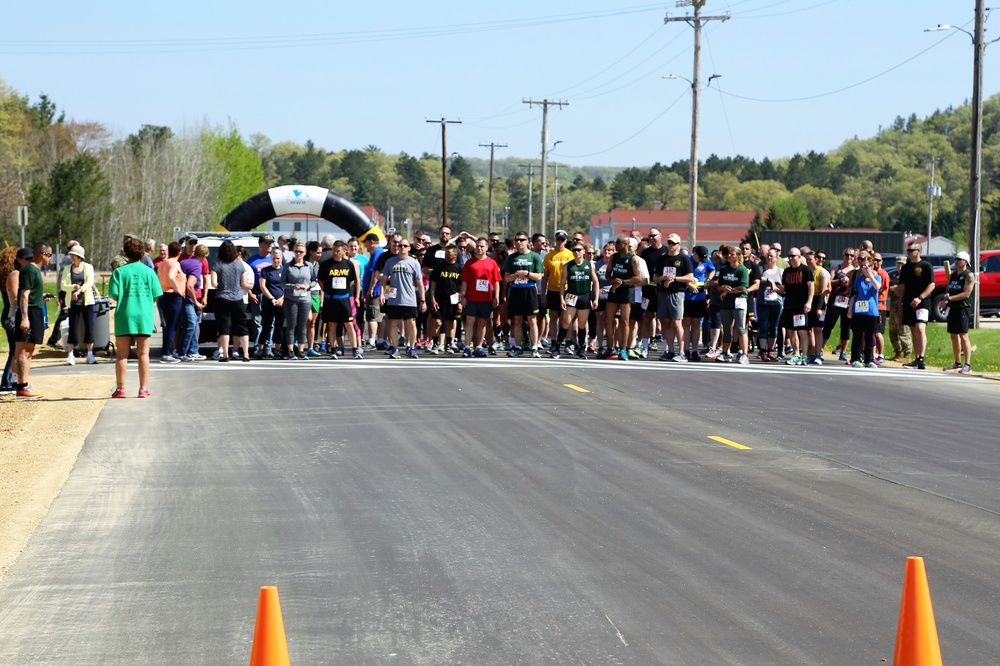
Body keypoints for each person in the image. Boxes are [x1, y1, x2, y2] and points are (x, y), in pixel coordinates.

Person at [108, 236, 163, 398]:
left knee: (122, 354)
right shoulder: (149, 272)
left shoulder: (119, 272)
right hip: (144, 314)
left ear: (126, 253)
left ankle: (120, 389)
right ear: (143, 253)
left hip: (125, 313)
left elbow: (115, 295)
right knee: (143, 354)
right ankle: (143, 389)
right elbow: (156, 294)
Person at [14, 244, 52, 398]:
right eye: (49, 255)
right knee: (23, 350)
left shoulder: (36, 270)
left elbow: (31, 293)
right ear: (42, 254)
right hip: (29, 312)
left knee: (29, 350)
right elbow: (24, 295)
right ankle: (21, 386)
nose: (50, 258)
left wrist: (42, 297)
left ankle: (25, 384)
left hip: (35, 310)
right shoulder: (29, 269)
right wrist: (24, 318)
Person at [380, 237, 426, 358]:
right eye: (400, 246)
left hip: (409, 299)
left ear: (409, 248)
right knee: (393, 323)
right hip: (394, 299)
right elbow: (383, 279)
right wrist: (381, 294)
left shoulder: (414, 263)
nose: (402, 248)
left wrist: (423, 300)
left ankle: (411, 347)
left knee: (411, 323)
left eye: (405, 246)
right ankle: (395, 348)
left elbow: (420, 283)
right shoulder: (390, 261)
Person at [502, 232, 545, 358]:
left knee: (532, 320)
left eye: (522, 240)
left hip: (530, 289)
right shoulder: (512, 257)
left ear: (528, 241)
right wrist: (515, 275)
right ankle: (518, 347)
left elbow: (539, 276)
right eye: (517, 240)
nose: (519, 242)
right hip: (516, 289)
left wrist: (527, 273)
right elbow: (506, 278)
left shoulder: (534, 256)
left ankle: (534, 347)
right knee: (517, 320)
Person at [318, 240, 362, 359]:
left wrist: (348, 291)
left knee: (349, 324)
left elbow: (352, 280)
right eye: (333, 250)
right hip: (330, 299)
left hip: (344, 299)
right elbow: (320, 281)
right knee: (332, 325)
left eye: (338, 251)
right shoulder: (326, 264)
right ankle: (333, 350)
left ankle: (355, 350)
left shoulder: (348, 264)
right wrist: (326, 290)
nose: (335, 253)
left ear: (344, 251)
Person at [554, 242, 599, 359]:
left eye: (579, 250)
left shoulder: (589, 265)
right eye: (574, 250)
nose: (576, 252)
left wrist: (595, 298)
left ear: (584, 251)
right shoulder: (568, 266)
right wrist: (561, 299)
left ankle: (581, 348)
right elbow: (563, 283)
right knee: (565, 321)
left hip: (584, 296)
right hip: (571, 295)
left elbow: (595, 282)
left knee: (582, 324)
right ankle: (557, 346)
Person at [603, 235, 644, 361]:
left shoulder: (633, 259)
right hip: (614, 290)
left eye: (619, 243)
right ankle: (610, 347)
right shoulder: (614, 257)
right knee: (609, 319)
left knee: (624, 321)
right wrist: (612, 280)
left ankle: (623, 349)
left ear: (625, 244)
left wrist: (623, 281)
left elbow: (639, 278)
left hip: (627, 291)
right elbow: (608, 273)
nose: (616, 245)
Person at [653, 233, 694, 362]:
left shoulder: (684, 258)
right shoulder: (662, 259)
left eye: (674, 243)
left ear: (678, 244)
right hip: (663, 292)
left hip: (677, 293)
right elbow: (655, 278)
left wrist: (675, 278)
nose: (671, 245)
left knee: (677, 322)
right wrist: (664, 278)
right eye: (669, 243)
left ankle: (682, 351)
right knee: (666, 322)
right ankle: (670, 350)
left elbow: (690, 277)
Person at [459, 237, 502, 357]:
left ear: (487, 247)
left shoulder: (492, 263)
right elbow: (464, 281)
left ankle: (479, 346)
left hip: (486, 298)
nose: (479, 248)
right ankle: (467, 346)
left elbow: (496, 282)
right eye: (477, 246)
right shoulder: (469, 263)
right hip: (471, 298)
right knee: (470, 321)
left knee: (482, 322)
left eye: (482, 246)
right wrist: (462, 296)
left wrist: (496, 296)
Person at [211, 240, 252, 363]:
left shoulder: (217, 265)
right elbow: (244, 284)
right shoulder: (240, 265)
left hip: (222, 298)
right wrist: (250, 287)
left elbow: (213, 283)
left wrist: (223, 285)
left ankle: (225, 355)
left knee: (224, 327)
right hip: (238, 298)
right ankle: (245, 354)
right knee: (242, 327)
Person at [711, 244, 751, 364]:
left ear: (738, 257)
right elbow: (718, 286)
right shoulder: (724, 269)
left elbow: (743, 288)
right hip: (726, 303)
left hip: (739, 302)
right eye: (728, 254)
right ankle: (725, 352)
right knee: (726, 328)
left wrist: (730, 291)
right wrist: (722, 288)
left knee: (740, 328)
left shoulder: (742, 270)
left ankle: (744, 354)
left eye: (732, 254)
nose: (729, 256)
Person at [899, 242, 935, 370]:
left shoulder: (926, 266)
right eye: (907, 250)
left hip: (923, 302)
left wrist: (920, 298)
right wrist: (900, 304)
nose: (908, 252)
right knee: (914, 331)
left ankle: (921, 358)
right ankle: (916, 358)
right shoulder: (905, 268)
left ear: (918, 251)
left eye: (910, 250)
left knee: (920, 328)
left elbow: (932, 285)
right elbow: (902, 286)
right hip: (908, 302)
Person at [61, 244, 98, 366]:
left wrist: (80, 289)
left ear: (79, 257)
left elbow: (89, 282)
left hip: (87, 302)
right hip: (73, 303)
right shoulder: (67, 268)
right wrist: (73, 287)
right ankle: (71, 355)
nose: (71, 257)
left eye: (73, 255)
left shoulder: (88, 267)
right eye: (71, 255)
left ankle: (90, 354)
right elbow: (63, 285)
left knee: (89, 327)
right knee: (73, 328)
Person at [776, 247, 814, 366]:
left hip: (800, 305)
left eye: (793, 256)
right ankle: (796, 354)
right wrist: (778, 289)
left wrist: (809, 301)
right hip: (789, 305)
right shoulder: (787, 271)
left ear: (799, 257)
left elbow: (811, 286)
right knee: (791, 331)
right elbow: (784, 289)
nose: (791, 258)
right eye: (789, 256)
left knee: (802, 331)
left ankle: (805, 356)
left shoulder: (806, 270)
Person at [846, 250, 882, 368]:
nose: (865, 268)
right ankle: (855, 358)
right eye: (863, 266)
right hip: (858, 311)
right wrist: (850, 309)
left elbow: (877, 287)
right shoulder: (858, 280)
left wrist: (870, 275)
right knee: (857, 335)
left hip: (871, 312)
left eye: (868, 266)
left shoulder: (877, 277)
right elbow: (854, 295)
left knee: (869, 336)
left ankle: (869, 359)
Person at [281, 242, 316, 360]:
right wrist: (292, 286)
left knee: (302, 326)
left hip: (305, 299)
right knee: (291, 325)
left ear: (305, 253)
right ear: (293, 252)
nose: (299, 254)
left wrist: (308, 286)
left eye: (301, 252)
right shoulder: (287, 266)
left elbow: (314, 281)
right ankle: (290, 351)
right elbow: (282, 283)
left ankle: (301, 350)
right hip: (291, 299)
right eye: (296, 251)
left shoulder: (309, 266)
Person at [542, 230, 575, 350]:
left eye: (562, 239)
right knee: (553, 316)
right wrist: (544, 295)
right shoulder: (549, 256)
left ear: (566, 241)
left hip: (568, 290)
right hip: (553, 289)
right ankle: (554, 342)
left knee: (567, 317)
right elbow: (545, 276)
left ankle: (567, 342)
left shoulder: (571, 255)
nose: (560, 242)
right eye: (558, 239)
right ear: (555, 240)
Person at [943, 251, 975, 374]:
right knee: (953, 335)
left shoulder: (969, 275)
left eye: (959, 259)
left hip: (962, 308)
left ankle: (967, 365)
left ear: (965, 262)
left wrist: (950, 298)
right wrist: (945, 298)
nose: (956, 261)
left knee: (963, 335)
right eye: (955, 259)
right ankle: (957, 363)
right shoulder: (953, 275)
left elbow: (966, 294)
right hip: (952, 308)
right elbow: (949, 289)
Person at [428, 245, 464, 354]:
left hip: (453, 300)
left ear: (455, 255)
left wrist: (460, 301)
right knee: (438, 321)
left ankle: (449, 344)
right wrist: (432, 299)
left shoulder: (459, 268)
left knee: (451, 322)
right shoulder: (439, 267)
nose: (446, 255)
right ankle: (435, 344)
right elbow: (433, 285)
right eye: (445, 253)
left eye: (449, 253)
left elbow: (462, 286)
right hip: (439, 299)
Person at [755, 247, 783, 362]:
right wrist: (768, 281)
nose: (769, 258)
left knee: (774, 326)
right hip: (763, 302)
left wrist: (779, 288)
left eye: (772, 256)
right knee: (763, 326)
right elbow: (756, 279)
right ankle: (762, 350)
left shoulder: (781, 271)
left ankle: (771, 349)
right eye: (768, 256)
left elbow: (784, 289)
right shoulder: (761, 269)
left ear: (776, 258)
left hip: (776, 303)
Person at [0, 247, 21, 394]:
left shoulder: (3, 276)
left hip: (6, 314)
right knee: (15, 350)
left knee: (13, 350)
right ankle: (7, 382)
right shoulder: (13, 276)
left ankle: (9, 381)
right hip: (12, 315)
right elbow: (15, 298)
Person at [888, 255, 913, 362]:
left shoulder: (908, 276)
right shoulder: (895, 276)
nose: (900, 266)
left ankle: (907, 354)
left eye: (902, 264)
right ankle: (898, 352)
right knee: (893, 331)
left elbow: (907, 290)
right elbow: (888, 291)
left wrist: (896, 289)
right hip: (893, 307)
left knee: (904, 331)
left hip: (903, 306)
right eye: (898, 264)